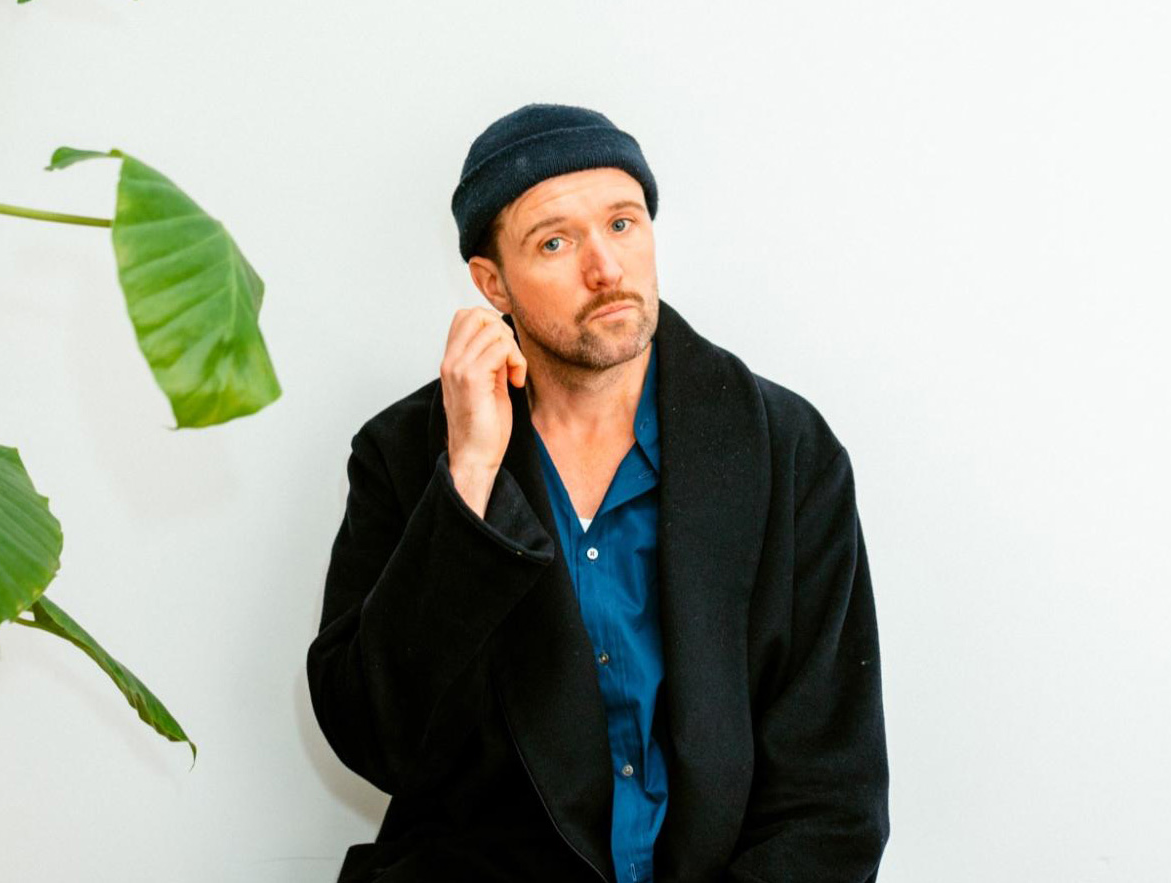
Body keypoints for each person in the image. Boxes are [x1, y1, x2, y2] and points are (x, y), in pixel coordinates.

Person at [306, 103, 889, 883]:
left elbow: (831, 800)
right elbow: (375, 739)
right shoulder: (406, 454)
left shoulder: (785, 450)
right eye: (554, 241)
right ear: (492, 283)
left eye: (621, 223)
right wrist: (469, 479)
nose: (606, 268)